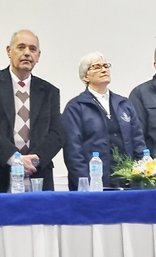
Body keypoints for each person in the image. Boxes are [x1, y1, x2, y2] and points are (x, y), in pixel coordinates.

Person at [0, 30, 65, 192]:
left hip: (37, 174)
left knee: (38, 218)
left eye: (32, 49)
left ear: (38, 56)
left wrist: (35, 160)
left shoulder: (50, 91)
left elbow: (57, 133)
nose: (27, 53)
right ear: (9, 51)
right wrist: (15, 159)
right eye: (21, 47)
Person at [63, 52, 147, 190]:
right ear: (85, 76)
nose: (104, 69)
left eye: (106, 66)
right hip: (94, 183)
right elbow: (73, 151)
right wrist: (86, 184)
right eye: (96, 67)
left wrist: (140, 177)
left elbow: (138, 141)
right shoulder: (76, 107)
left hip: (127, 182)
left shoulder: (124, 104)